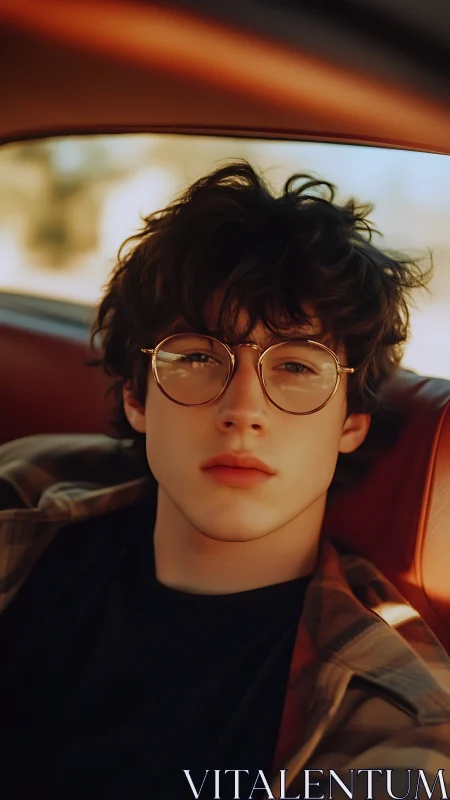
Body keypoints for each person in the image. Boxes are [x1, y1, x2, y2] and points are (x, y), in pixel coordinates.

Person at [1, 162, 450, 800]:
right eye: (196, 357)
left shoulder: (392, 726)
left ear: (352, 420)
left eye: (296, 365)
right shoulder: (23, 495)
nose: (244, 408)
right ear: (136, 395)